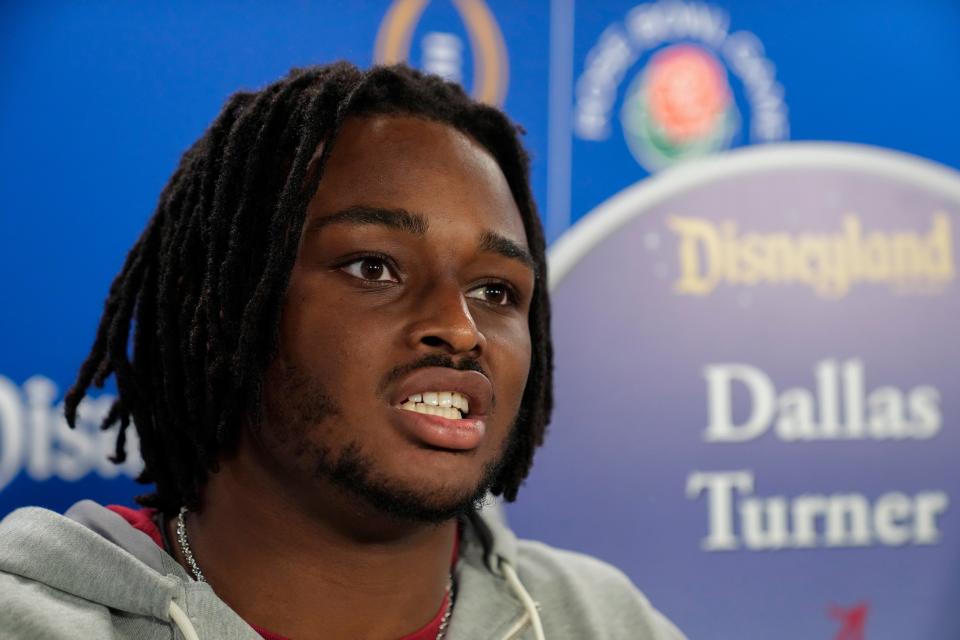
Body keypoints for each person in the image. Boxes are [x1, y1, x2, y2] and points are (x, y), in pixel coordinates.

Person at [0, 62, 684, 640]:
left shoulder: (600, 620)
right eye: (374, 268)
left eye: (496, 291)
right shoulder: (33, 619)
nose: (461, 328)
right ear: (222, 307)